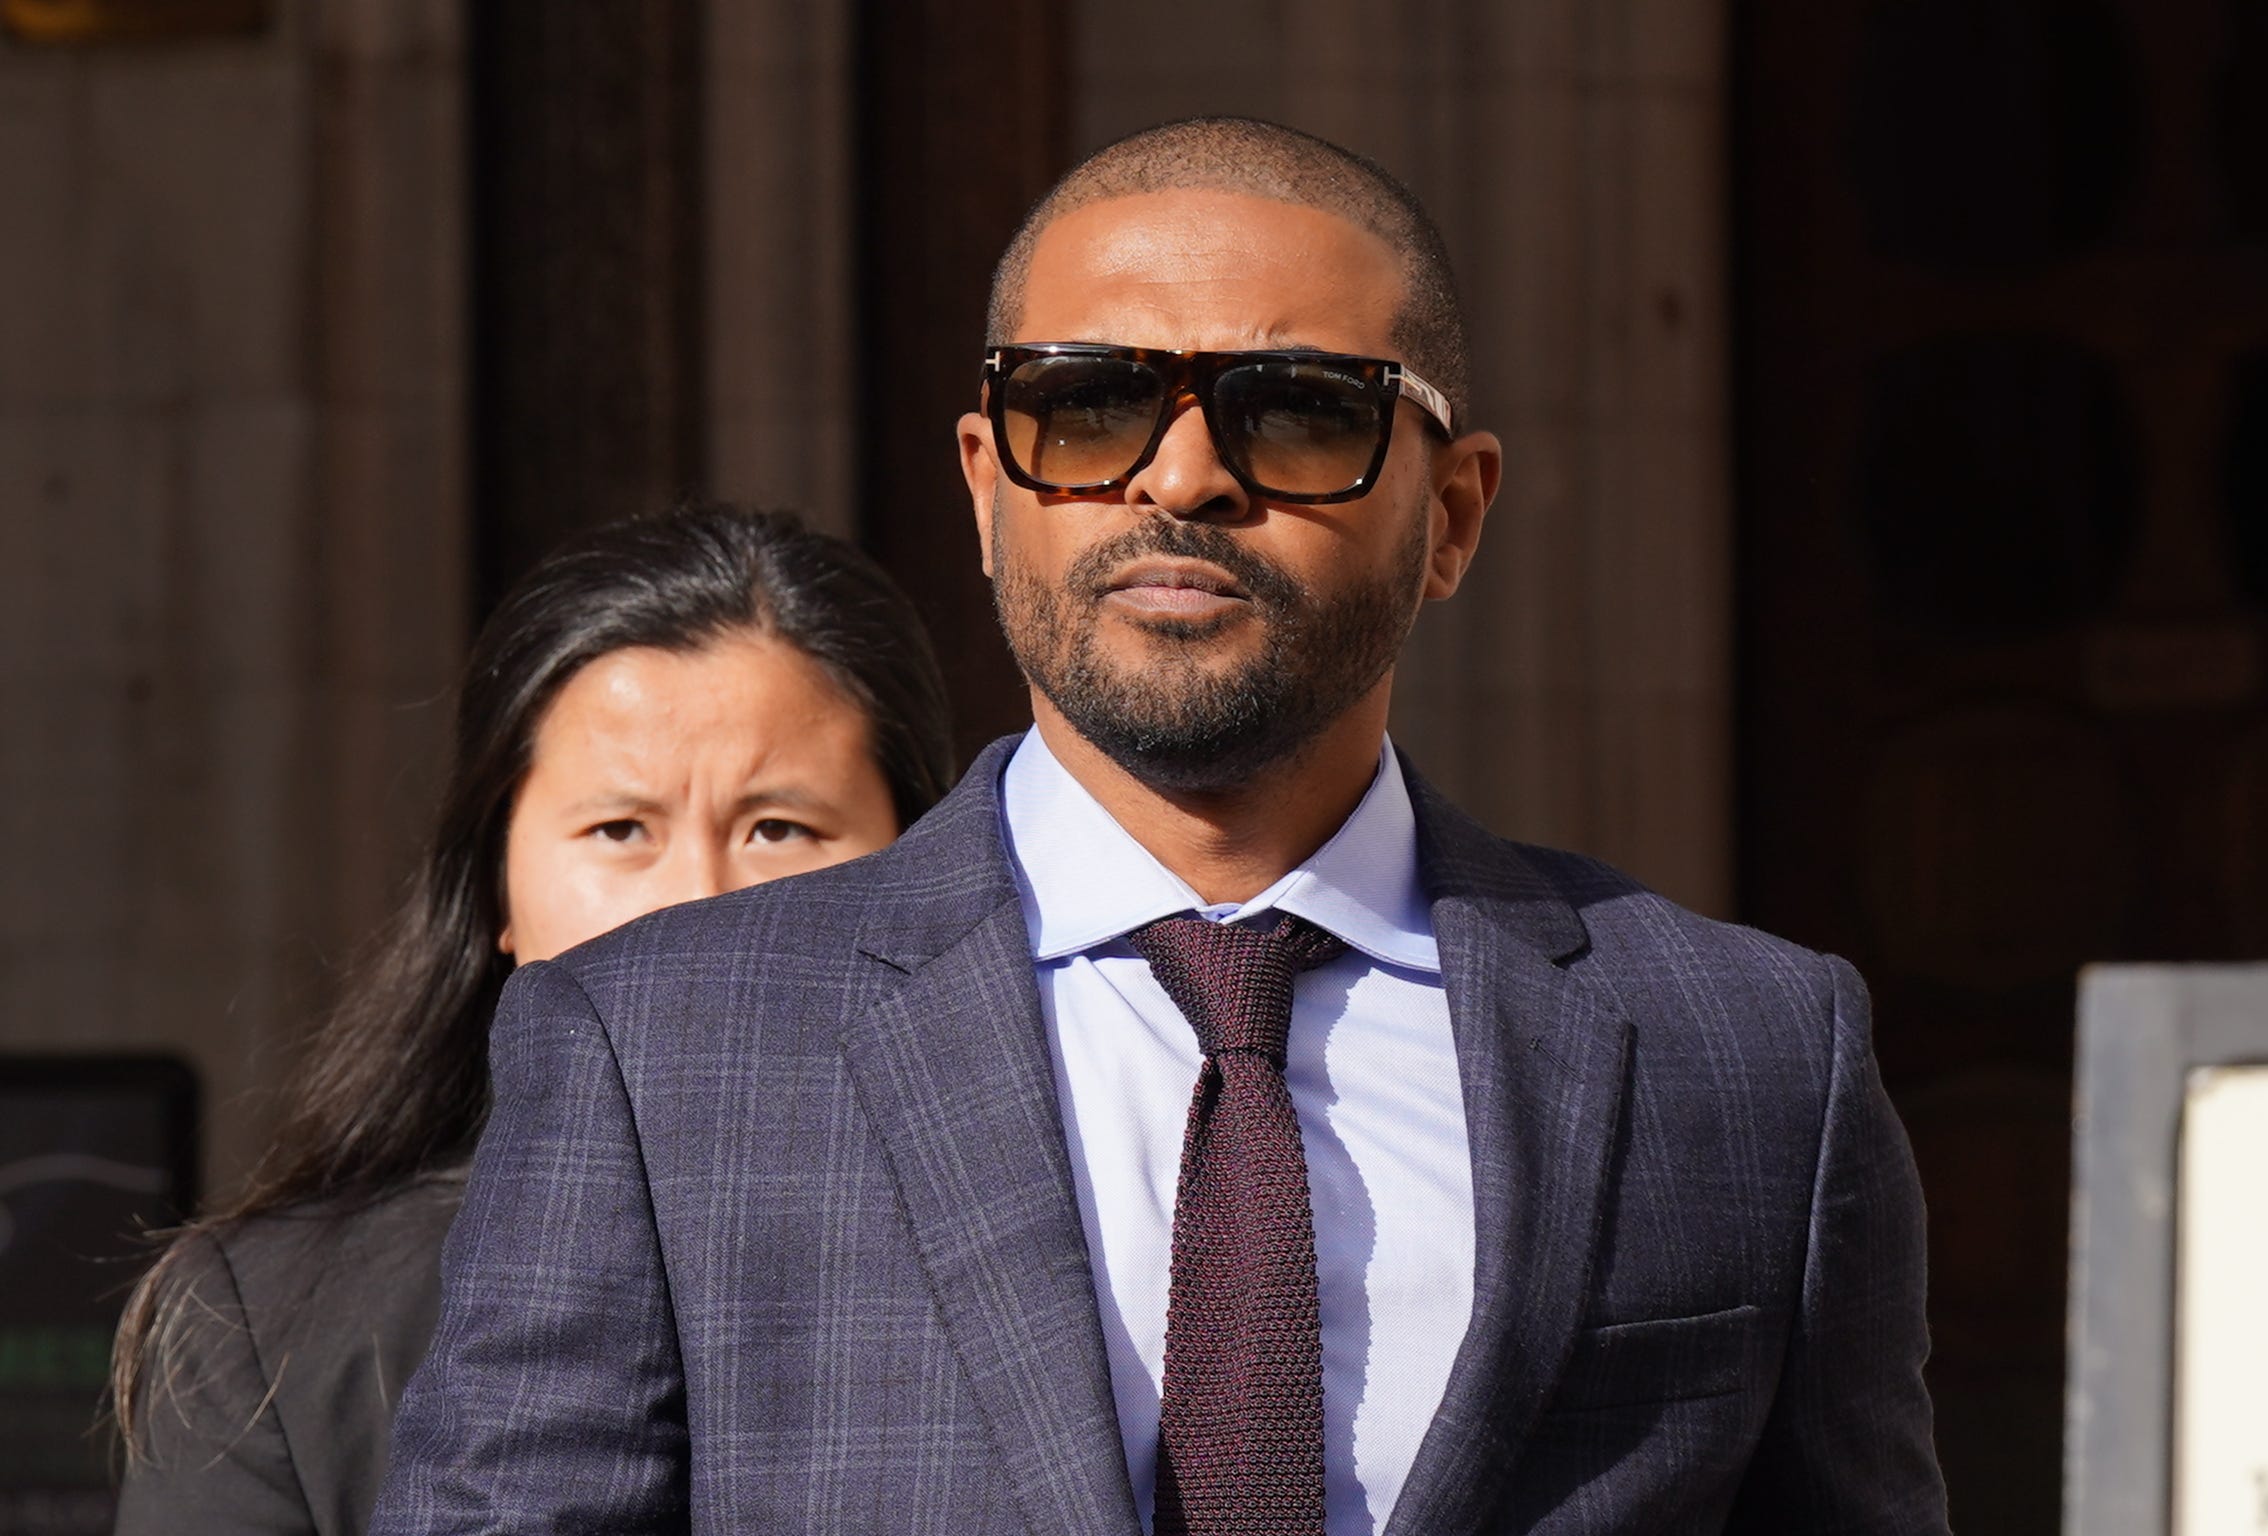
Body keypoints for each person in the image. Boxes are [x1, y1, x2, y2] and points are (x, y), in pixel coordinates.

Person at [373, 118, 1948, 1535]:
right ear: (990, 487)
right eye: (1088, 404)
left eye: (1300, 412)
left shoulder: (1747, 1054)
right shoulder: (664, 1045)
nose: (1181, 476)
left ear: (1453, 516)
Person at [110, 503, 955, 1536]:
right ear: (498, 894)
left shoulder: (1061, 1245)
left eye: (779, 827)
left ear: (922, 871)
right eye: (619, 829)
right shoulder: (275, 1323)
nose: (694, 906)